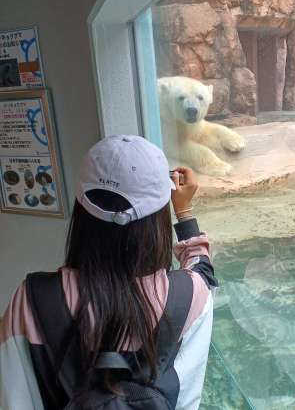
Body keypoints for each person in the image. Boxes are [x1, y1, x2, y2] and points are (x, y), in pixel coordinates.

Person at [0, 135, 217, 409]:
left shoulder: (33, 298)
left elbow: (15, 399)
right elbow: (203, 273)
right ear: (158, 218)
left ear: (81, 209)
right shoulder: (190, 296)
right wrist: (184, 212)